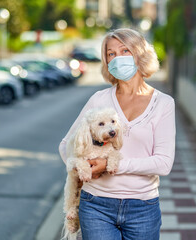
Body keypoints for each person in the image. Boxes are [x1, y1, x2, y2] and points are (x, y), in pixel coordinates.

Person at [59, 28, 176, 240]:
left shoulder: (163, 104)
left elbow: (163, 163)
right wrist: (83, 169)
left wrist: (113, 166)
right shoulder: (98, 99)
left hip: (143, 208)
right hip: (96, 205)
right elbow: (66, 144)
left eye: (125, 51)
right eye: (111, 54)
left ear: (140, 54)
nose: (117, 58)